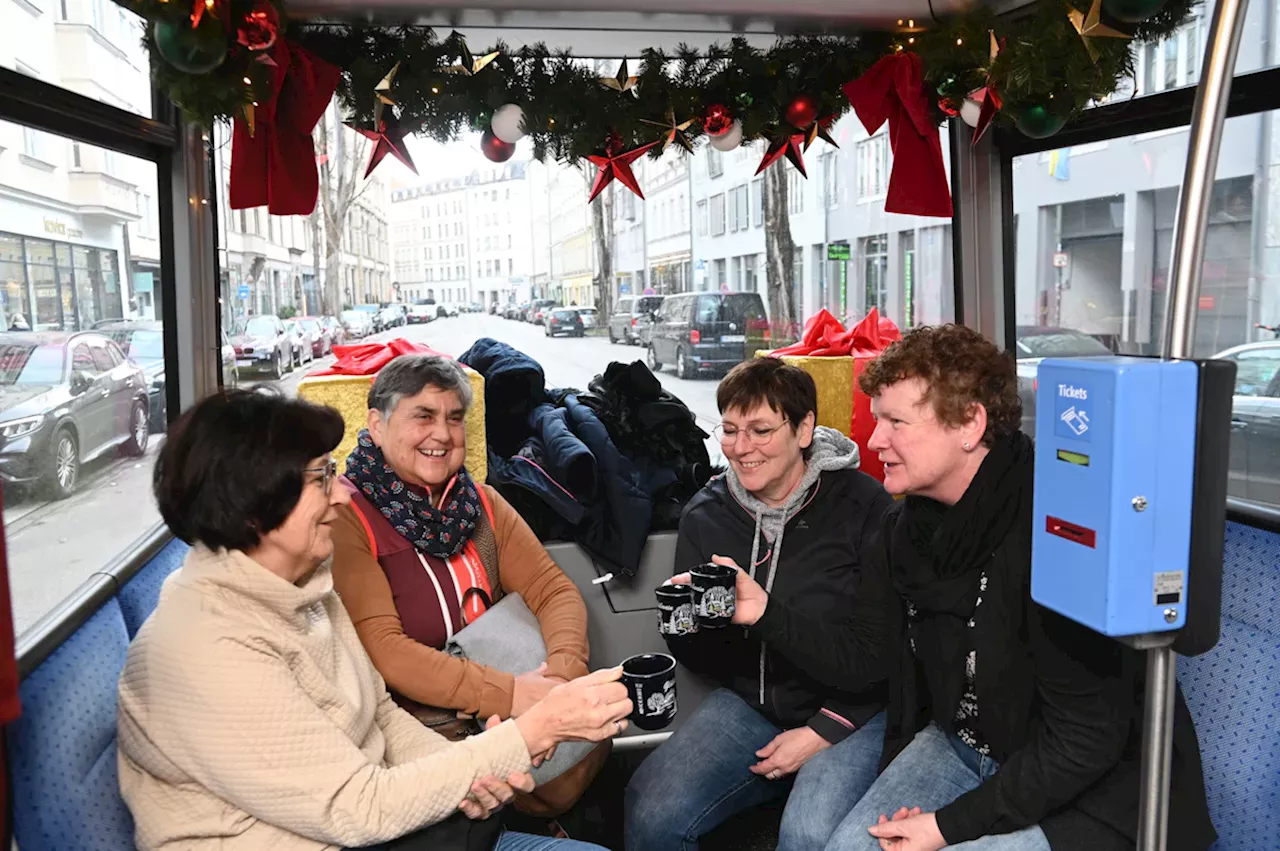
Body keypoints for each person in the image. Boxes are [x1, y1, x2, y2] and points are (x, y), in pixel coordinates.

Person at [709, 325, 1217, 851]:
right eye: (878, 419)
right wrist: (766, 612)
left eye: (896, 422)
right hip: (964, 742)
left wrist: (947, 826)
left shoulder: (1058, 530)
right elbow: (869, 660)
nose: (875, 439)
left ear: (970, 424)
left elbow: (1085, 740)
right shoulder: (905, 530)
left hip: (1089, 783)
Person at [119, 388, 631, 851]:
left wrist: (475, 775)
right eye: (321, 478)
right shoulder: (208, 650)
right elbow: (357, 805)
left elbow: (381, 716)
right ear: (252, 507)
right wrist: (529, 732)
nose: (340, 494)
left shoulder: (306, 588)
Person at [625, 357, 894, 851]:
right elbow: (709, 661)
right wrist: (687, 628)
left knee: (808, 835)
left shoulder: (866, 508)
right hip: (754, 704)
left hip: (852, 709)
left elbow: (887, 654)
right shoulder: (706, 513)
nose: (740, 449)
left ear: (804, 428)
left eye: (761, 430)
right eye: (729, 431)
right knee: (649, 813)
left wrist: (821, 731)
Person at [329, 355, 604, 816]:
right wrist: (512, 694)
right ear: (376, 425)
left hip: (522, 697)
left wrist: (560, 675)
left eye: (454, 418)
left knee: (576, 761)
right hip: (426, 732)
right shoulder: (345, 516)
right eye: (423, 416)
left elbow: (552, 591)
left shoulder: (481, 501)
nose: (442, 434)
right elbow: (384, 650)